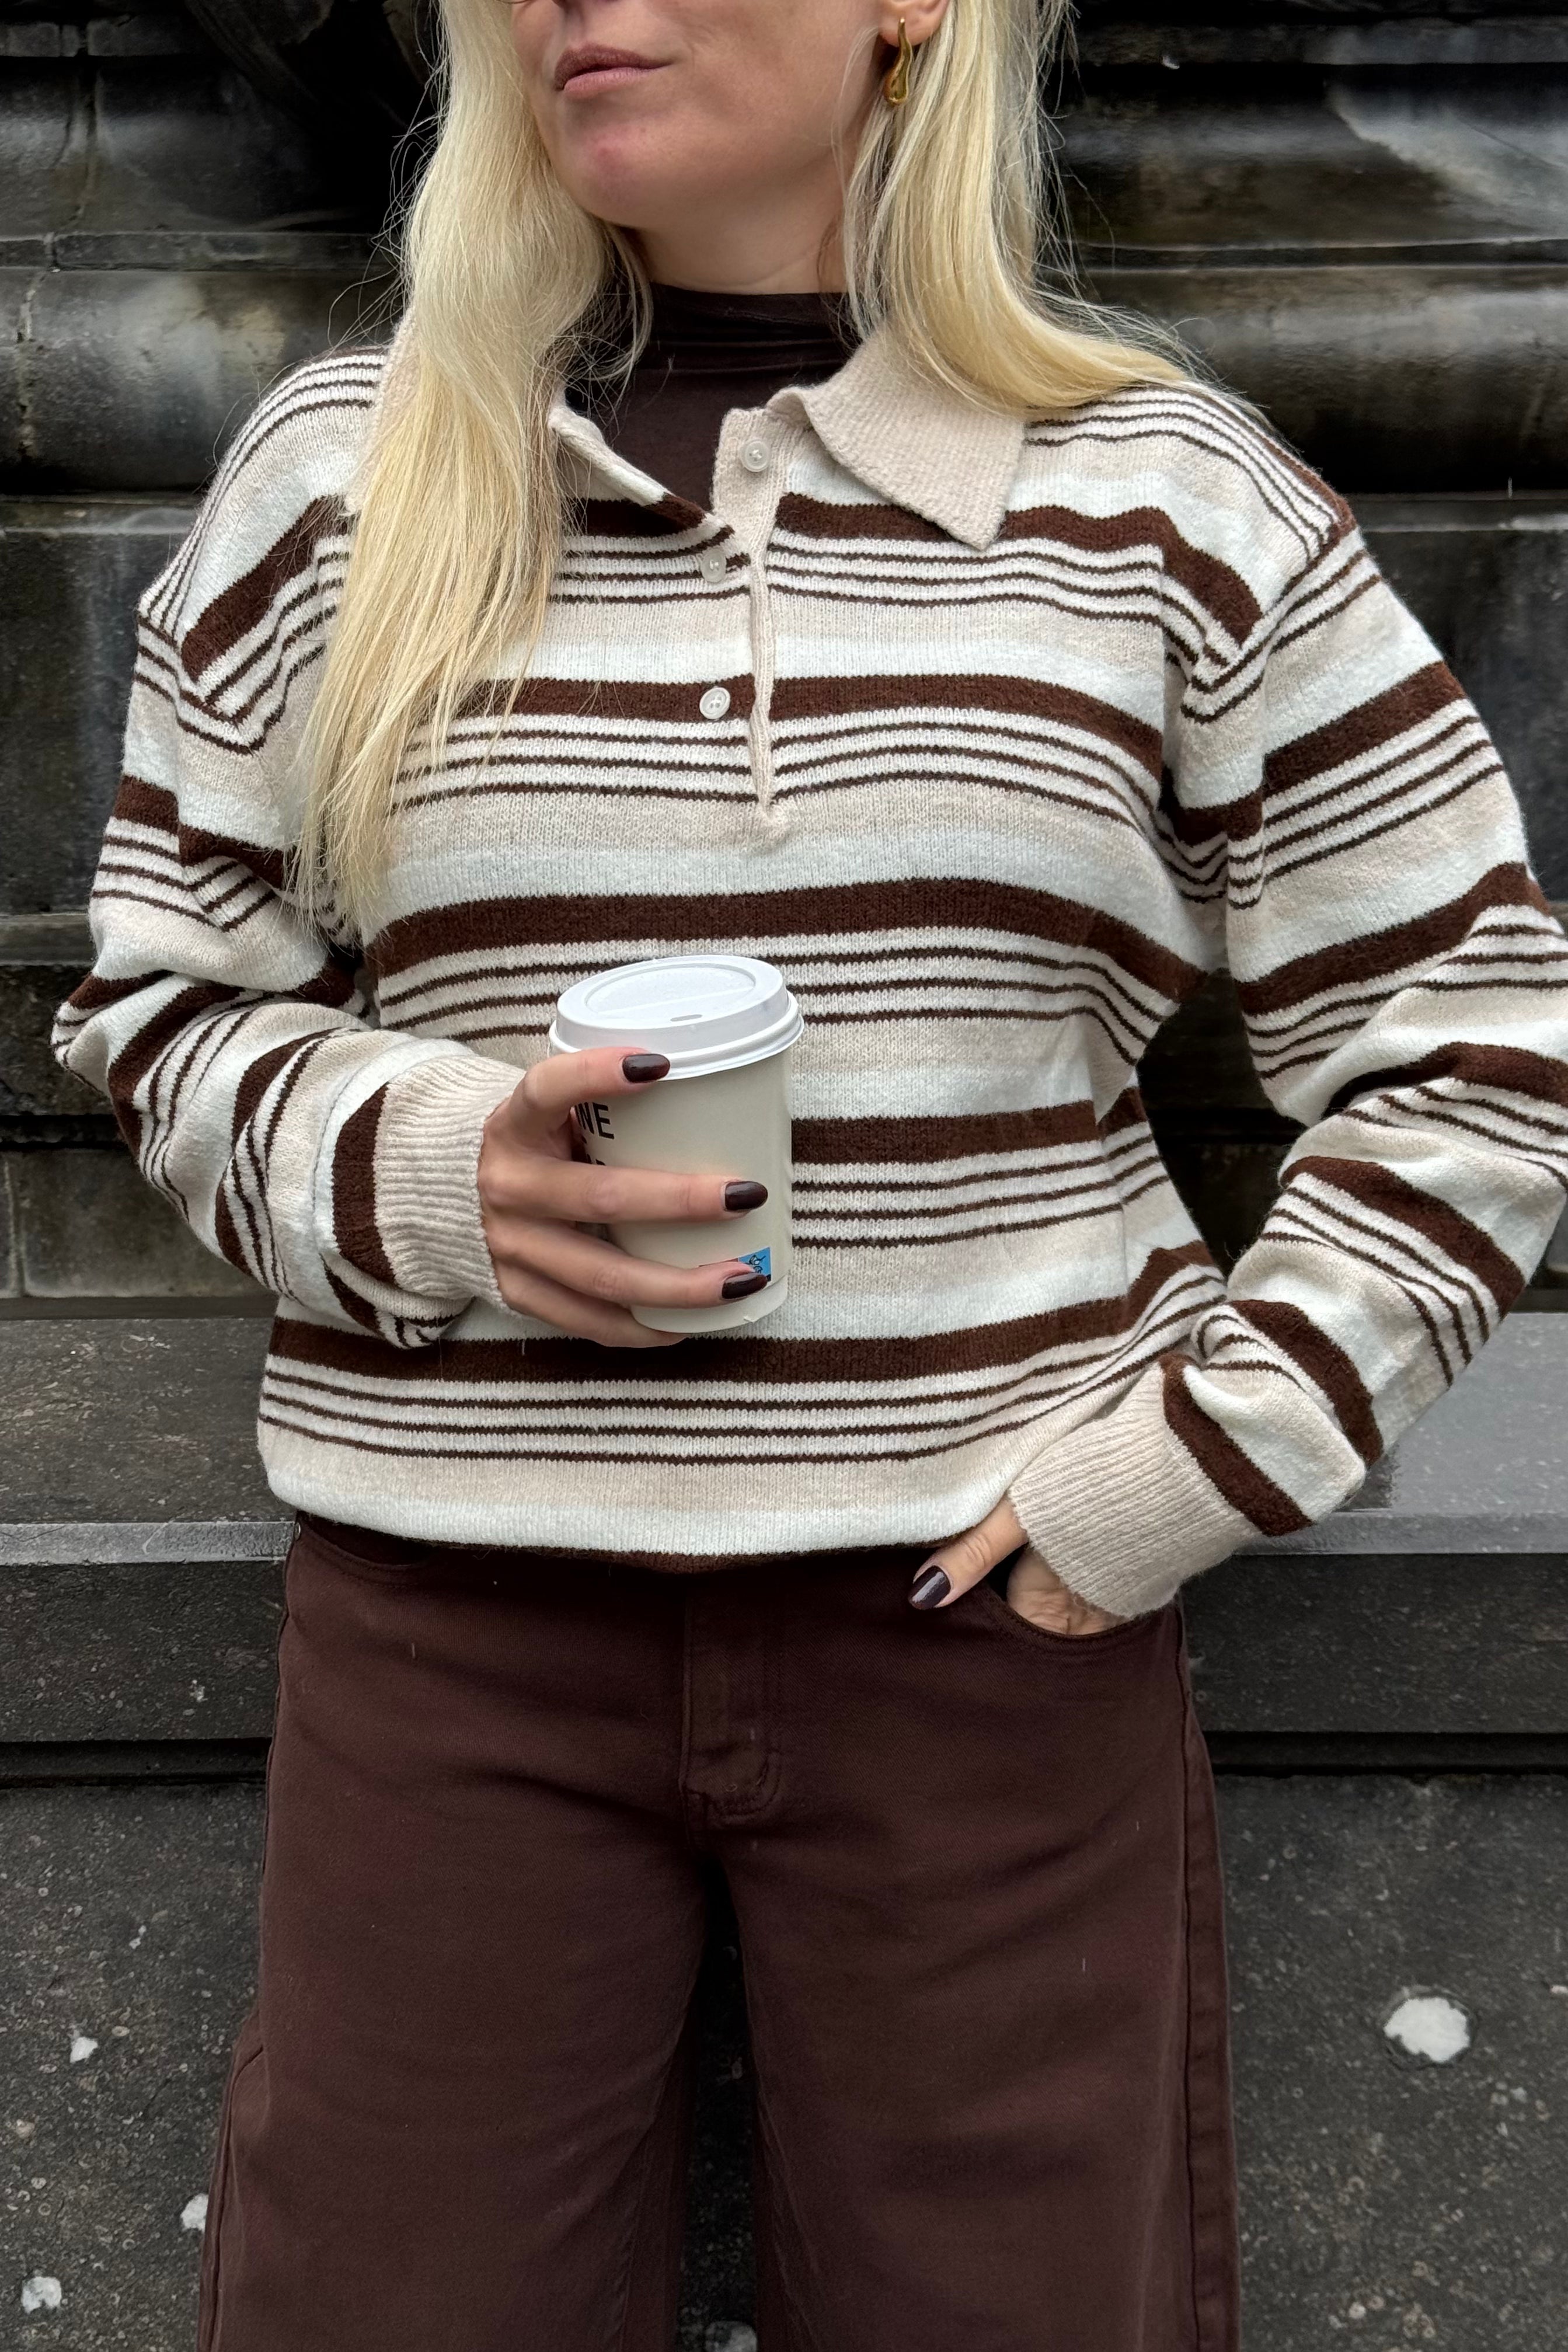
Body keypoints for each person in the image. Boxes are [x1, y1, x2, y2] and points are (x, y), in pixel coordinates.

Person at [54, 1, 1568, 2346]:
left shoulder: (1171, 500)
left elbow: (1478, 1037)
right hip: (456, 1643)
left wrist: (1192, 1465)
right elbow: (161, 1000)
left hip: (985, 1639)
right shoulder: (345, 474)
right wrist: (438, 1175)